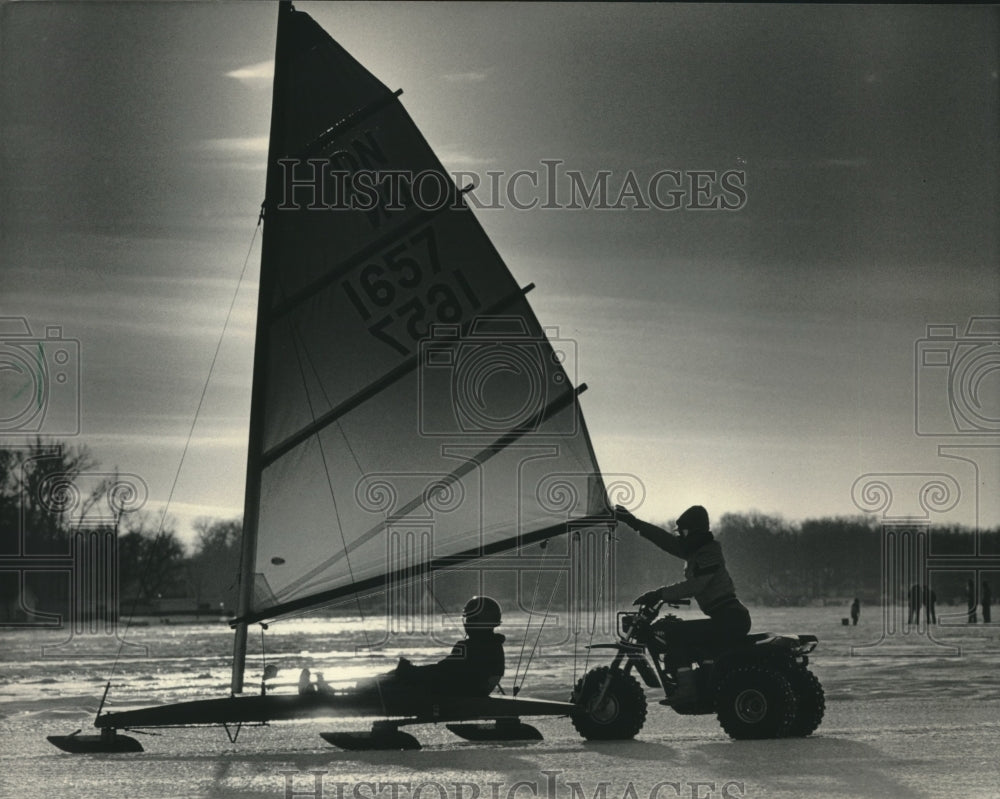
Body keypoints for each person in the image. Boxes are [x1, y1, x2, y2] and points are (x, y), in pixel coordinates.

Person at [614, 504, 751, 705]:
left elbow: (697, 584)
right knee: (686, 635)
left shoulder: (708, 553)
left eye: (684, 531)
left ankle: (688, 690)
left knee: (675, 633)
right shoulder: (696, 551)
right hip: (727, 617)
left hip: (730, 618)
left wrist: (659, 593)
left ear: (695, 531)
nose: (682, 536)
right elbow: (664, 540)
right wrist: (633, 523)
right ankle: (696, 680)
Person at [301, 596, 505, 700]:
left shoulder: (473, 647)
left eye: (470, 618)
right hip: (452, 689)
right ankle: (333, 692)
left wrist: (411, 672)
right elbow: (448, 671)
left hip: (445, 693)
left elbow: (444, 672)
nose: (466, 622)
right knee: (389, 677)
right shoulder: (491, 646)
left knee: (383, 684)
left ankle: (328, 697)